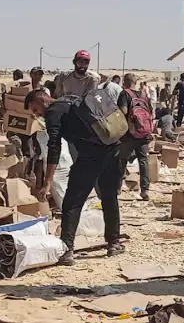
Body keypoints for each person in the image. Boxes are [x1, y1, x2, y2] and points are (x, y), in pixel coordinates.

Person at [25, 89, 124, 266]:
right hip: (113, 149)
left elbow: (54, 147)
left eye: (35, 109)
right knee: (109, 196)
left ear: (42, 101)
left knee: (72, 202)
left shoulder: (53, 113)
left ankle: (66, 250)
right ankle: (114, 243)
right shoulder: (71, 99)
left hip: (91, 156)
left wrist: (48, 182)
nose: (36, 114)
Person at [116, 73, 153, 201]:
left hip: (129, 134)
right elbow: (150, 113)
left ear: (125, 81)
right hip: (143, 133)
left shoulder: (124, 94)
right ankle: (145, 190)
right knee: (143, 161)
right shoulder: (143, 95)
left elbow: (124, 112)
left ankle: (118, 187)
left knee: (122, 160)